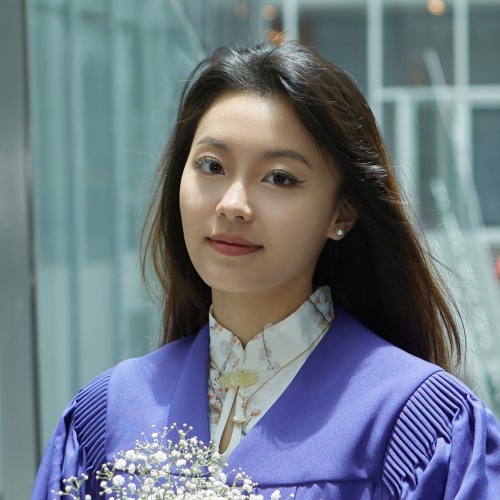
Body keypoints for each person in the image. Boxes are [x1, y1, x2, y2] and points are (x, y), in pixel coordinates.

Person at [32, 41, 500, 499]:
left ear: (343, 212)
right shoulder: (107, 416)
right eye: (211, 165)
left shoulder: (415, 424)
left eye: (279, 177)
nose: (233, 204)